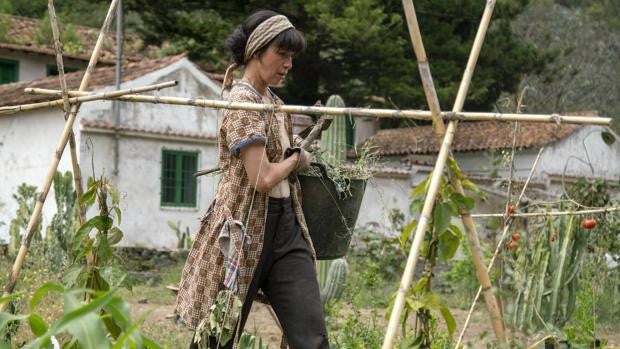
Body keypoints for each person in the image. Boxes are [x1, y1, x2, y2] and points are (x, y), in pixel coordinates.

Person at [175, 9, 330, 349]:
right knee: (218, 336)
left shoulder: (273, 103)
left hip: (286, 226)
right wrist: (297, 160)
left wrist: (292, 161)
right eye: (282, 55)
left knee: (312, 336)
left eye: (291, 57)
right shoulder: (244, 103)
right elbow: (262, 178)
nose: (288, 64)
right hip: (244, 229)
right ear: (256, 51)